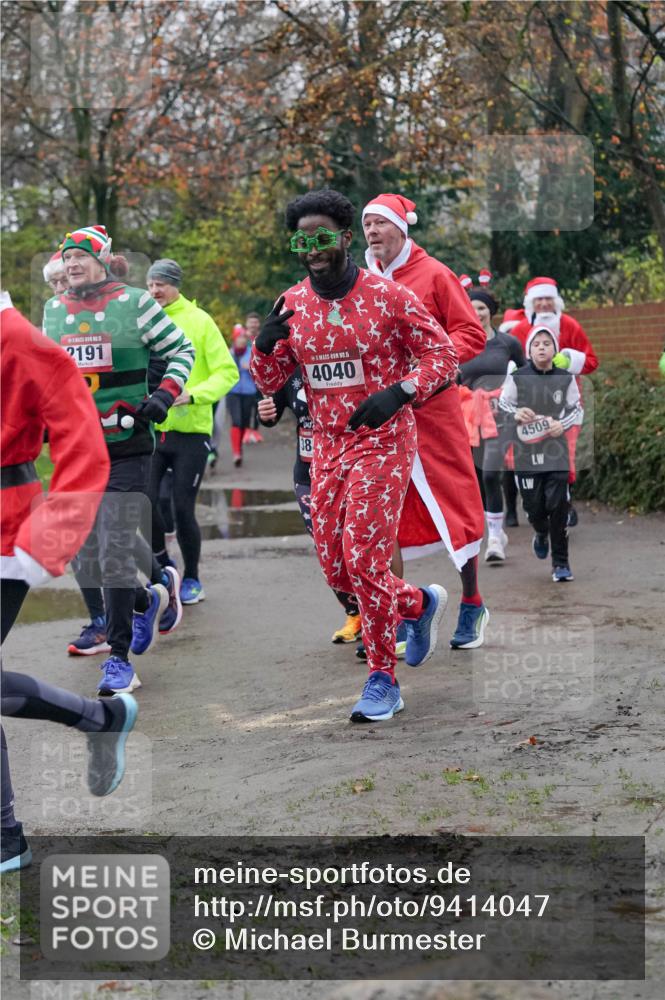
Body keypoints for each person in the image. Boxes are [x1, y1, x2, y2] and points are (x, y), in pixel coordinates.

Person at [251, 189, 457, 723]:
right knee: (337, 569)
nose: (312, 249)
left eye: (322, 238)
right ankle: (419, 604)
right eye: (301, 241)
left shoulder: (387, 296)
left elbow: (443, 354)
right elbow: (270, 382)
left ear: (345, 238)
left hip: (384, 442)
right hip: (326, 447)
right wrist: (265, 347)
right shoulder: (291, 303)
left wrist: (401, 391)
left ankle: (383, 679)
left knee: (365, 561)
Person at [1, 294, 139, 872]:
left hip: (7, 534)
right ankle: (100, 719)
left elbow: (85, 447)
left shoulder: (21, 340)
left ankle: (6, 837)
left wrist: (42, 544)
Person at [43, 225, 195, 695]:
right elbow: (47, 374)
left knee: (113, 549)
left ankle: (119, 660)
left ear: (103, 260)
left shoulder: (136, 303)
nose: (72, 264)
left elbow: (181, 349)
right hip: (76, 449)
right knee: (85, 548)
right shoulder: (54, 310)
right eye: (67, 257)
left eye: (81, 256)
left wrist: (164, 395)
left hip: (127, 445)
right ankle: (149, 595)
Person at [362, 193, 489, 650]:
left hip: (433, 410)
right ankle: (401, 613)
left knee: (455, 504)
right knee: (383, 512)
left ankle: (472, 601)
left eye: (380, 223)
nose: (372, 231)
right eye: (367, 224)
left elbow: (471, 332)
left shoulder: (434, 274)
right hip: (382, 412)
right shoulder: (362, 282)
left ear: (401, 227)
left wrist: (428, 367)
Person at [146, 258, 238, 605]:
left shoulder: (199, 321)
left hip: (191, 432)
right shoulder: (143, 321)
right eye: (150, 284)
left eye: (161, 284)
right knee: (144, 502)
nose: (154, 291)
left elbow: (227, 372)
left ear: (176, 285)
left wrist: (193, 395)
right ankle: (163, 566)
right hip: (153, 430)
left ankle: (193, 578)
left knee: (183, 507)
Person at [258, 370, 362, 644]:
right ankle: (354, 612)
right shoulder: (290, 370)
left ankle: (379, 613)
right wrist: (266, 414)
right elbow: (272, 409)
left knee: (357, 544)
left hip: (347, 467)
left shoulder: (340, 361)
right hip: (307, 475)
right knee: (327, 548)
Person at [509, 276, 599, 527]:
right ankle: (537, 508)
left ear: (556, 301)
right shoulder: (519, 330)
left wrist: (569, 360)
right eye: (539, 299)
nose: (544, 304)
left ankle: (564, 504)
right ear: (531, 303)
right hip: (529, 409)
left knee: (564, 455)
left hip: (565, 406)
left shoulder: (570, 325)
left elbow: (592, 361)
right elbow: (511, 365)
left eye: (548, 298)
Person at [499, 324, 583, 581]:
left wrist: (562, 424)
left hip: (556, 450)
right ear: (529, 350)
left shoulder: (565, 377)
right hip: (526, 452)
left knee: (558, 507)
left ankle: (561, 564)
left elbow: (576, 408)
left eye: (547, 343)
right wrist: (516, 413)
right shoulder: (518, 377)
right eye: (536, 344)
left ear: (555, 349)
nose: (542, 348)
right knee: (535, 508)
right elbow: (503, 404)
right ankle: (540, 532)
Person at [458, 272, 525, 563]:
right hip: (468, 417)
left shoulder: (508, 343)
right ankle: (494, 525)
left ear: (491, 311)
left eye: (482, 307)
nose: (477, 313)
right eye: (471, 307)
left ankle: (495, 539)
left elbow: (526, 373)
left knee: (490, 473)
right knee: (477, 477)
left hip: (500, 415)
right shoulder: (457, 342)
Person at [227, 324, 259, 467]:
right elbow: (222, 371)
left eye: (243, 337)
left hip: (248, 392)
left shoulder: (251, 353)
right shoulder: (228, 353)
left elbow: (260, 372)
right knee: (236, 421)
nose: (241, 340)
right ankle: (236, 453)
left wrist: (251, 368)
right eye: (239, 337)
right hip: (232, 392)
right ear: (234, 338)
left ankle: (239, 449)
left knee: (244, 422)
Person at [244, 312, 264, 444]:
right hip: (244, 379)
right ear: (247, 324)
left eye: (255, 322)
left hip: (259, 379)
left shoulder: (262, 337)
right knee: (246, 407)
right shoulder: (241, 338)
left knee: (258, 405)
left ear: (258, 324)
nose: (253, 324)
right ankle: (246, 431)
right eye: (251, 322)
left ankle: (256, 431)